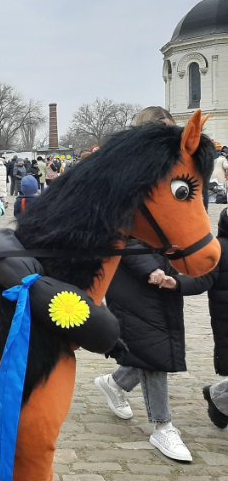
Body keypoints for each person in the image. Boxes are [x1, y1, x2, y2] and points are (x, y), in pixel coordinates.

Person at [94, 105, 210, 462]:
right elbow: (120, 234)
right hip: (130, 274)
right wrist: (149, 269)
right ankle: (163, 427)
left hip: (163, 267)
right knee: (154, 346)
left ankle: (114, 383)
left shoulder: (172, 176)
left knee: (153, 344)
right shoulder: (123, 180)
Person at [204, 207, 228, 429]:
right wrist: (176, 284)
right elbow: (204, 280)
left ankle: (218, 396)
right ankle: (219, 397)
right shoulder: (219, 247)